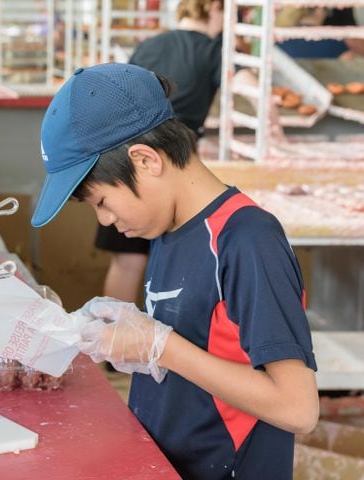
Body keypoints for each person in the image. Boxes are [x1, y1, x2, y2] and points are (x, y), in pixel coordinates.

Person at [31, 63, 318, 479]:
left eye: (102, 202)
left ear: (146, 160)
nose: (105, 220)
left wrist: (161, 347)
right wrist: (132, 339)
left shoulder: (247, 241)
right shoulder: (166, 229)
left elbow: (298, 408)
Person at [96, 0, 224, 305]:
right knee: (177, 263)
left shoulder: (151, 44)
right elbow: (246, 86)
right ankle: (164, 348)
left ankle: (114, 349)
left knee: (126, 261)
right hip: (173, 165)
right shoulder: (214, 50)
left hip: (124, 156)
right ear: (214, 8)